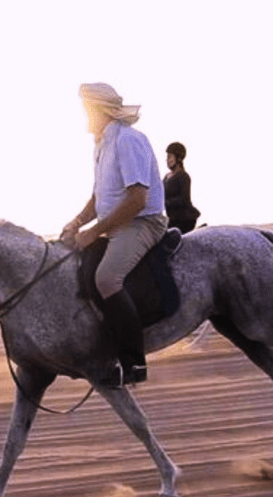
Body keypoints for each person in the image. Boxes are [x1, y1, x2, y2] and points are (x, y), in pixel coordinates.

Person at [61, 83, 168, 387]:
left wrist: (94, 232)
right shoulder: (101, 144)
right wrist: (78, 221)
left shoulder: (127, 141)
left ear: (99, 110)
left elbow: (137, 200)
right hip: (117, 224)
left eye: (86, 110)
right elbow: (100, 196)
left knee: (107, 278)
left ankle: (134, 365)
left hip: (142, 223)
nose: (84, 116)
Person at [163, 141, 200, 233]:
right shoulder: (166, 177)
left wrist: (165, 202)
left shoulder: (183, 176)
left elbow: (184, 199)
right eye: (167, 157)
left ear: (179, 158)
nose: (167, 160)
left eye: (170, 157)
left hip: (183, 219)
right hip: (171, 217)